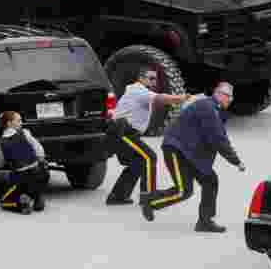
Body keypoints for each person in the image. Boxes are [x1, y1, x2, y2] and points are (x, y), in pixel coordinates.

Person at [142, 81, 246, 232]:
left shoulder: (215, 110)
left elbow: (220, 136)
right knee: (183, 191)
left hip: (191, 153)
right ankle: (150, 201)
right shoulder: (208, 108)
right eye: (228, 96)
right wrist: (236, 161)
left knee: (210, 181)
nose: (230, 99)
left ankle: (205, 221)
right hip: (176, 149)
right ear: (218, 94)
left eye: (231, 97)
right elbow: (218, 139)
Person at [105, 67, 190, 206]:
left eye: (155, 79)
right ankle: (148, 197)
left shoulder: (139, 91)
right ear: (141, 78)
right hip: (122, 132)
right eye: (151, 78)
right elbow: (161, 99)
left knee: (137, 163)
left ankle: (117, 196)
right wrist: (182, 98)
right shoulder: (138, 90)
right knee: (150, 157)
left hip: (123, 132)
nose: (154, 82)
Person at [0, 110, 50, 214]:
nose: (21, 123)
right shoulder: (25, 133)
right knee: (39, 172)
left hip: (21, 179)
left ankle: (22, 205)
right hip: (40, 175)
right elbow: (40, 152)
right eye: (18, 121)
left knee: (4, 201)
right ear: (9, 123)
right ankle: (37, 196)